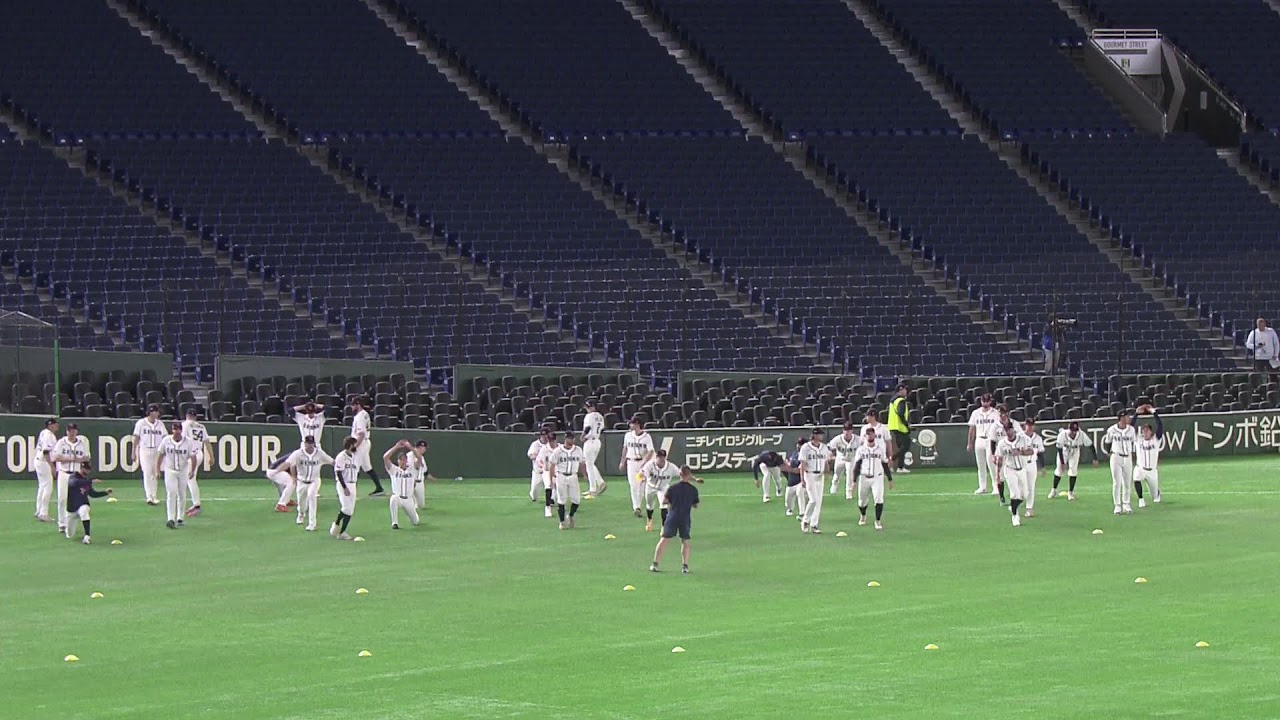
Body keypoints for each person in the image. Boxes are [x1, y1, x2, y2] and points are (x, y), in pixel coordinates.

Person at [649, 465, 702, 574]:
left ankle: (655, 564)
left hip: (673, 516)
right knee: (685, 541)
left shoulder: (673, 488)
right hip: (685, 517)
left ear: (680, 474)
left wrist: (674, 501)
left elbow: (664, 501)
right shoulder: (693, 490)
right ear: (689, 475)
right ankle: (685, 566)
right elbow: (695, 505)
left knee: (664, 539)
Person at [282, 435, 335, 531]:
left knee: (312, 496)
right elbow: (290, 464)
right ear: (304, 443)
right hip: (302, 481)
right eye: (308, 443)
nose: (310, 445)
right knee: (301, 504)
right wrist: (293, 477)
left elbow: (332, 461)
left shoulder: (319, 453)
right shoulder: (298, 453)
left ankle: (312, 523)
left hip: (314, 481)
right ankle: (301, 514)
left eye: (311, 443)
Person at [156, 423, 198, 530]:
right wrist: (157, 469)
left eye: (179, 429)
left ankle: (180, 517)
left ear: (181, 431)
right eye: (175, 429)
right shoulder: (166, 440)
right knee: (171, 492)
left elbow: (193, 457)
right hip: (170, 470)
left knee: (182, 494)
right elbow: (160, 454)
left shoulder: (188, 442)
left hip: (183, 470)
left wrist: (192, 470)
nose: (177, 432)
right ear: (172, 430)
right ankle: (170, 519)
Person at [51, 423, 91, 534]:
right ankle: (62, 524)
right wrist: (70, 458)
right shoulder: (61, 442)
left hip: (76, 475)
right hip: (64, 473)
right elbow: (55, 457)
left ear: (76, 431)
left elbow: (87, 457)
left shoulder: (82, 443)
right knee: (62, 499)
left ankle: (71, 523)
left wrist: (79, 459)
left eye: (73, 430)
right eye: (69, 430)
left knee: (75, 499)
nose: (72, 433)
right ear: (66, 431)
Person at [853, 427, 894, 531]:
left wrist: (890, 479)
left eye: (871, 434)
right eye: (868, 434)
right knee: (862, 501)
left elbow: (885, 464)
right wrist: (854, 480)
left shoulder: (880, 449)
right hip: (864, 477)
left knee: (878, 498)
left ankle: (877, 520)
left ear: (874, 435)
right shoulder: (861, 450)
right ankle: (863, 515)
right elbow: (857, 465)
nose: (869, 436)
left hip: (877, 477)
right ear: (865, 436)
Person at [64, 463, 112, 544]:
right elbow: (74, 483)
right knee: (69, 534)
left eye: (89, 469)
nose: (88, 471)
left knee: (84, 511)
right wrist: (90, 481)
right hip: (72, 508)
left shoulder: (86, 480)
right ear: (81, 468)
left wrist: (105, 493)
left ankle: (87, 536)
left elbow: (92, 494)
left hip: (83, 504)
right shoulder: (73, 476)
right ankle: (69, 532)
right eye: (86, 469)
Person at [1049, 421, 1097, 500]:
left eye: (1075, 430)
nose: (1074, 432)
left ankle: (1070, 492)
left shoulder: (1081, 434)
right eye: (1072, 430)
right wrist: (1062, 462)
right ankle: (1053, 490)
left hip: (1075, 453)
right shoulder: (1062, 434)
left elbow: (1090, 445)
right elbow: (1059, 448)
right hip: (1063, 453)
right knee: (1059, 470)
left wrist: (1095, 458)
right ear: (1069, 429)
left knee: (1073, 471)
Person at [549, 433, 588, 530]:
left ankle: (570, 516)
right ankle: (562, 522)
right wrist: (551, 479)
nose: (572, 440)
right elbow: (552, 465)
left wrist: (584, 474)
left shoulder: (578, 450)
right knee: (562, 499)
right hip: (561, 475)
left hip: (573, 476)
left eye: (573, 438)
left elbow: (582, 463)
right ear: (565, 439)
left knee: (576, 500)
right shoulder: (558, 451)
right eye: (570, 438)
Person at [994, 425, 1031, 527]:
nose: (1008, 432)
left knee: (1025, 494)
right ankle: (1015, 516)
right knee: (1014, 494)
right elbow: (1000, 459)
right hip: (1010, 469)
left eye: (1010, 430)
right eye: (1006, 430)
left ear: (1013, 430)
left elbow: (1031, 451)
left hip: (1022, 469)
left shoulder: (1022, 439)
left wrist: (1021, 452)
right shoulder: (1002, 443)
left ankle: (1013, 507)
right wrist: (997, 474)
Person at [618, 417, 655, 518]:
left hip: (642, 463)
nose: (630, 425)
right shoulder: (628, 435)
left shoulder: (646, 437)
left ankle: (638, 506)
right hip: (631, 462)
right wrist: (622, 462)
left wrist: (645, 463)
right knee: (633, 485)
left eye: (632, 423)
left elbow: (651, 451)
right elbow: (625, 449)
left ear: (637, 424)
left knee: (641, 486)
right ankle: (636, 507)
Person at [798, 428, 832, 534]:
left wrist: (827, 472)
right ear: (815, 435)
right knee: (813, 500)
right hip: (810, 475)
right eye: (820, 434)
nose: (822, 436)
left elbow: (825, 461)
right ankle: (805, 521)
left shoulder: (824, 447)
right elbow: (802, 464)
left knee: (818, 502)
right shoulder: (806, 447)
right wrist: (802, 479)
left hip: (820, 475)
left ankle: (814, 525)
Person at [1102, 410, 1137, 515]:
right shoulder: (1112, 429)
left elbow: (1133, 443)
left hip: (1127, 457)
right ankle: (1117, 505)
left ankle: (1126, 504)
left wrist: (1133, 455)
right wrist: (1109, 453)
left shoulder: (1131, 429)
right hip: (1116, 456)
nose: (1129, 418)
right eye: (1127, 417)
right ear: (1121, 418)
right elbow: (1107, 443)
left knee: (1127, 482)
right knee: (1117, 482)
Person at [131, 404, 166, 506]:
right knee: (147, 472)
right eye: (153, 411)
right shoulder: (141, 423)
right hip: (145, 449)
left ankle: (154, 496)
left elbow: (165, 437)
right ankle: (149, 496)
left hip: (157, 450)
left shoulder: (160, 424)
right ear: (149, 412)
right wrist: (133, 452)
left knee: (155, 473)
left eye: (156, 411)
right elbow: (136, 438)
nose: (155, 413)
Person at [966, 394, 1000, 496]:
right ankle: (982, 487)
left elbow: (998, 427)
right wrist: (970, 443)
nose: (985, 403)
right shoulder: (976, 413)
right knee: (980, 465)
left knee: (991, 464)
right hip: (979, 439)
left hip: (990, 440)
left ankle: (996, 487)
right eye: (983, 401)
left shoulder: (995, 413)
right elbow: (972, 428)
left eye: (987, 401)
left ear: (990, 401)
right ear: (981, 401)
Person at [350, 396, 385, 496]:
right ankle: (379, 488)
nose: (351, 407)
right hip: (365, 443)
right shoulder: (364, 414)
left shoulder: (360, 416)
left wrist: (355, 446)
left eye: (353, 405)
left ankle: (350, 490)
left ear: (358, 404)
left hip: (360, 443)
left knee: (354, 466)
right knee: (367, 467)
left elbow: (361, 434)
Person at [180, 408, 211, 517]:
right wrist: (211, 456)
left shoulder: (185, 425)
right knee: (190, 479)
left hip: (190, 455)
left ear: (186, 415)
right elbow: (207, 442)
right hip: (199, 453)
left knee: (190, 479)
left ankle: (196, 505)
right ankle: (195, 504)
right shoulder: (201, 426)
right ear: (195, 417)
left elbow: (182, 439)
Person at [639, 449, 680, 532]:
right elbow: (642, 473)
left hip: (663, 488)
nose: (661, 459)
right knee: (649, 505)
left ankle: (664, 527)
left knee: (663, 506)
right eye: (659, 457)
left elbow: (681, 473)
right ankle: (649, 519)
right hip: (650, 487)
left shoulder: (671, 467)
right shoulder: (650, 465)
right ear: (656, 457)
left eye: (662, 457)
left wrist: (694, 479)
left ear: (665, 457)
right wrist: (642, 478)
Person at [384, 441, 420, 530]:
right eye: (401, 459)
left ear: (407, 460)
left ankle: (412, 515)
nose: (403, 461)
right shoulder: (394, 470)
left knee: (415, 522)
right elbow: (385, 457)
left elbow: (419, 458)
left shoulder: (412, 470)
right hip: (398, 498)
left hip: (409, 499)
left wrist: (410, 447)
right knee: (393, 498)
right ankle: (394, 523)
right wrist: (396, 447)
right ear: (398, 461)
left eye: (404, 459)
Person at [330, 437, 360, 540]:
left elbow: (356, 472)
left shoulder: (355, 457)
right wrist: (344, 487)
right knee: (346, 508)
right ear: (350, 445)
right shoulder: (341, 457)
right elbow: (338, 473)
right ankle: (338, 528)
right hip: (343, 483)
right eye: (354, 444)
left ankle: (340, 530)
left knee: (350, 510)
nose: (356, 446)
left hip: (353, 484)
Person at [1134, 405, 1164, 505]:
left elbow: (1160, 427)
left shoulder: (1155, 440)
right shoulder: (1138, 440)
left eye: (1147, 430)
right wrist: (1136, 414)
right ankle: (1141, 499)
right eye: (1144, 430)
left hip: (1152, 471)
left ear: (1151, 432)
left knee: (1155, 496)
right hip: (1140, 468)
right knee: (1136, 478)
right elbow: (1130, 428)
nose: (1145, 432)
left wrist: (1154, 413)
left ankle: (1157, 493)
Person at [526, 428, 556, 517]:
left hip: (548, 472)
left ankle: (550, 502)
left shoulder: (552, 445)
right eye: (543, 435)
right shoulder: (536, 444)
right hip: (538, 472)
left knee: (551, 486)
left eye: (546, 435)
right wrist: (538, 457)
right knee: (534, 495)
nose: (544, 437)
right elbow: (531, 455)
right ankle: (534, 495)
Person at [33, 418, 58, 522]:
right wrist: (52, 466)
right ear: (50, 425)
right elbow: (46, 451)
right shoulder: (49, 435)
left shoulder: (44, 432)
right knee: (48, 487)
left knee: (42, 486)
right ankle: (43, 513)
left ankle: (38, 511)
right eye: (54, 424)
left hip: (38, 460)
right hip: (44, 461)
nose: (56, 426)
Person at [1021, 420, 1046, 518]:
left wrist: (1042, 467)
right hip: (1021, 464)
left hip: (1032, 464)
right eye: (1028, 425)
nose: (1030, 427)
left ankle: (1029, 508)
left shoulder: (1038, 438)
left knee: (1031, 487)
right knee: (1021, 488)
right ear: (1025, 426)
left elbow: (1040, 453)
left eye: (1032, 425)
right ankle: (1016, 503)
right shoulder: (1019, 437)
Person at [581, 400, 607, 498]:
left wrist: (583, 436)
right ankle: (599, 483)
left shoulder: (589, 416)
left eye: (588, 407)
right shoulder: (600, 416)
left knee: (589, 465)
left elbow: (587, 428)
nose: (587, 409)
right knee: (590, 464)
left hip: (590, 441)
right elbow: (602, 428)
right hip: (597, 441)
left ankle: (593, 488)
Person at [828, 423, 859, 500]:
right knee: (837, 473)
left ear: (852, 431)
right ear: (843, 431)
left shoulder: (857, 439)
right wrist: (830, 453)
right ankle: (834, 485)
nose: (847, 432)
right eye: (845, 430)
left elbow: (863, 447)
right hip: (840, 458)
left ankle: (849, 493)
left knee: (850, 475)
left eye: (848, 430)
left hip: (852, 459)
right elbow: (829, 446)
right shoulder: (838, 439)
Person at [887, 384, 911, 473]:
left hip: (893, 426)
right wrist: (906, 425)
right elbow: (901, 414)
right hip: (900, 427)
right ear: (900, 390)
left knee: (901, 447)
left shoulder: (893, 400)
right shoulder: (901, 401)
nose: (906, 391)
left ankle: (900, 467)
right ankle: (891, 460)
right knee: (906, 446)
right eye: (905, 389)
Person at [408, 440, 437, 509]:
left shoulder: (422, 457)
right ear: (421, 447)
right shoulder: (409, 456)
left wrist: (432, 478)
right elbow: (416, 466)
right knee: (408, 501)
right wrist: (418, 458)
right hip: (410, 481)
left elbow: (425, 471)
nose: (425, 450)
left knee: (421, 505)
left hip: (420, 482)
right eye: (425, 448)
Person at [784, 437, 807, 519]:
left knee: (800, 494)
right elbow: (790, 464)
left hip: (800, 480)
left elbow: (799, 470)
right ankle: (790, 509)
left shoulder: (806, 455)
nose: (798, 446)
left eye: (801, 444)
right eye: (798, 444)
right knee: (788, 499)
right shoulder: (794, 453)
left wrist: (790, 469)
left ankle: (802, 513)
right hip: (791, 481)